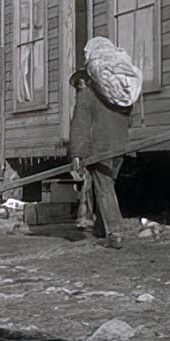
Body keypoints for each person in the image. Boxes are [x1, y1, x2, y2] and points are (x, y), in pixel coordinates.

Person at [68, 66, 131, 249]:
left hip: (99, 148)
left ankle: (115, 232)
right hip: (120, 145)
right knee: (107, 184)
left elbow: (80, 124)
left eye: (79, 83)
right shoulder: (116, 94)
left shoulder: (86, 94)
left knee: (104, 188)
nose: (78, 87)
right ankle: (102, 228)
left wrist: (77, 154)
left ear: (86, 79)